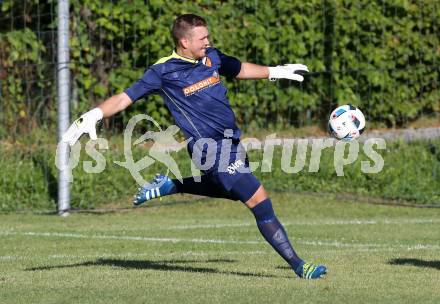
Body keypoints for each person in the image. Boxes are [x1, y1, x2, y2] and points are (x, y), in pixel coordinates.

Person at [62, 14, 327, 279]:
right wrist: (93, 115)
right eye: (202, 38)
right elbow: (124, 98)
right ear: (184, 41)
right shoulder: (163, 71)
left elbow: (239, 68)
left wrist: (277, 72)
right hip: (208, 149)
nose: (207, 41)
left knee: (233, 191)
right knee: (259, 200)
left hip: (231, 141)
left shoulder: (211, 57)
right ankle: (299, 265)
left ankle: (172, 185)